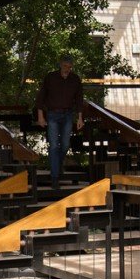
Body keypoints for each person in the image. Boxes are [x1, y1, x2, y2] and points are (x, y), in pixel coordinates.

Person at [35, 54, 85, 189]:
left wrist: (80, 118)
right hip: (52, 114)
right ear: (60, 65)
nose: (67, 69)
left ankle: (57, 164)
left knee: (65, 144)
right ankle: (55, 177)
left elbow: (79, 99)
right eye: (65, 66)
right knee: (53, 146)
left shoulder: (75, 79)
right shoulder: (50, 77)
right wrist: (40, 116)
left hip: (68, 115)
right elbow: (41, 97)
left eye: (69, 67)